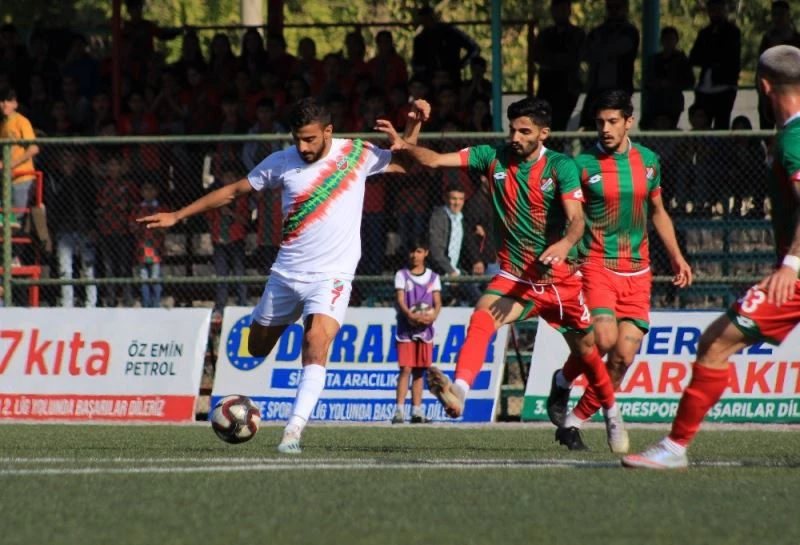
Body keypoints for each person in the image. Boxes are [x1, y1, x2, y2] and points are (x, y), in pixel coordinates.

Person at [138, 97, 430, 453]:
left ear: (328, 132)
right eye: (297, 139)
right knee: (256, 347)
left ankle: (293, 431)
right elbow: (233, 192)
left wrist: (413, 126)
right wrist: (177, 216)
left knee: (316, 343)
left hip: (331, 277)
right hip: (286, 275)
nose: (302, 147)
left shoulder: (356, 153)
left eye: (309, 139)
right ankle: (289, 321)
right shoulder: (281, 162)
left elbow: (404, 164)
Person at [377, 97, 628, 452]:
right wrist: (406, 145)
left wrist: (564, 244)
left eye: (525, 131)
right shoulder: (492, 156)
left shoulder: (561, 166)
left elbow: (576, 219)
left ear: (544, 134)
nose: (516, 137)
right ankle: (459, 391)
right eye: (512, 130)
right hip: (516, 277)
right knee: (482, 315)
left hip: (560, 280)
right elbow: (433, 160)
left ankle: (612, 415)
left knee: (589, 352)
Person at [622, 45, 800, 469]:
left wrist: (791, 265)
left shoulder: (794, 138)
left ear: (763, 87)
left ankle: (674, 447)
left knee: (716, 342)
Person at [548, 89, 693, 451]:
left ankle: (573, 422)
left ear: (629, 121)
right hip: (597, 265)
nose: (605, 128)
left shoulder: (649, 161)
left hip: (638, 272)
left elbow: (658, 212)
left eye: (613, 121)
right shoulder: (582, 165)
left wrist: (677, 256)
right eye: (600, 122)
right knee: (604, 339)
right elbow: (568, 216)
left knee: (623, 357)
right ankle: (564, 381)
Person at [391, 237, 442, 424]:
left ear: (426, 253)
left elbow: (437, 303)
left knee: (420, 371)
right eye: (412, 251)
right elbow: (400, 300)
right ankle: (399, 411)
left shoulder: (433, 277)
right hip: (406, 329)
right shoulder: (401, 275)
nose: (415, 255)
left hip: (425, 330)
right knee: (405, 368)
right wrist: (410, 315)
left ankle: (417, 411)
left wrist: (432, 316)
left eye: (419, 251)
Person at [579, 0, 639, 130]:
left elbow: (620, 48)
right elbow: (585, 53)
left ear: (625, 8)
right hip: (597, 88)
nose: (614, 11)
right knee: (588, 125)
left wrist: (601, 49)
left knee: (614, 127)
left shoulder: (629, 31)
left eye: (618, 7)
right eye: (610, 7)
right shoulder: (598, 31)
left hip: (619, 88)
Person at [427, 180, 482, 306]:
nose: (457, 203)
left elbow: (468, 241)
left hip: (457, 272)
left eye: (461, 199)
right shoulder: (438, 217)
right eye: (453, 199)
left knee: (480, 301)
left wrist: (476, 260)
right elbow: (435, 250)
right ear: (445, 198)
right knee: (443, 304)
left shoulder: (461, 218)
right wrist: (450, 271)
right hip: (439, 273)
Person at [689, 0, 741, 130]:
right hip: (704, 88)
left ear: (725, 11)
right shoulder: (704, 33)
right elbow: (694, 57)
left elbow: (730, 58)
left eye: (718, 10)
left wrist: (711, 57)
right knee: (701, 124)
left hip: (724, 86)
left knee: (721, 124)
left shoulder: (732, 32)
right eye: (712, 10)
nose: (715, 13)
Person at [533, 0, 585, 131]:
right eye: (557, 10)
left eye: (563, 9)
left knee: (561, 125)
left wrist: (557, 61)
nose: (560, 13)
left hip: (568, 90)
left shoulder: (577, 34)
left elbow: (575, 57)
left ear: (569, 10)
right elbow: (538, 56)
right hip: (547, 89)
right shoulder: (545, 34)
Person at [0, 88, 39, 231]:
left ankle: (17, 248)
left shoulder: (22, 121)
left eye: (8, 101)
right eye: (2, 101)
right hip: (7, 178)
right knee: (6, 220)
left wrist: (12, 164)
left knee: (17, 221)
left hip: (22, 178)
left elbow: (34, 148)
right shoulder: (2, 124)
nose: (5, 104)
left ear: (15, 104)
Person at [757, 1, 800, 130]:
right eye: (775, 14)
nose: (778, 18)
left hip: (792, 92)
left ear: (788, 15)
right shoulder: (767, 39)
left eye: (781, 14)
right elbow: (761, 65)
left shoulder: (797, 39)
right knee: (767, 129)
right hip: (769, 93)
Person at [131, 181, 168, 308]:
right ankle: (146, 304)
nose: (149, 192)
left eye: (152, 189)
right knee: (143, 277)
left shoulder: (162, 209)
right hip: (141, 248)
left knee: (155, 277)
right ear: (141, 192)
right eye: (146, 189)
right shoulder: (137, 209)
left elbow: (164, 228)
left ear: (157, 192)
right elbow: (132, 227)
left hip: (157, 248)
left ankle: (156, 304)